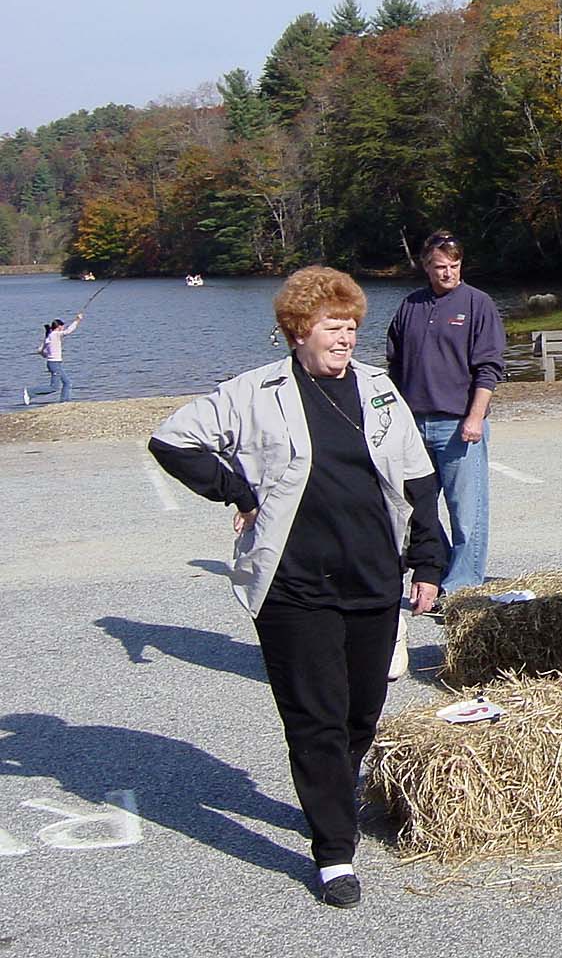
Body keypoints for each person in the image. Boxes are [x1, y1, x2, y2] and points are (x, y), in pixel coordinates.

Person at [148, 266, 446, 908]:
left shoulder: (378, 389)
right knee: (314, 717)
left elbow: (419, 478)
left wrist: (428, 561)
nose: (346, 339)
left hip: (372, 574)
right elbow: (173, 438)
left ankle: (337, 792)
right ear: (298, 329)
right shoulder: (256, 390)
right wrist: (236, 489)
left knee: (360, 710)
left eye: (353, 328)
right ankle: (334, 850)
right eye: (333, 328)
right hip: (292, 583)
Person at [386, 230, 506, 601]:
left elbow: (489, 367)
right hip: (413, 425)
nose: (448, 273)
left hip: (458, 424)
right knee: (413, 507)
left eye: (454, 266)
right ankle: (433, 572)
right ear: (426, 267)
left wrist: (475, 417)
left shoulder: (477, 304)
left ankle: (462, 586)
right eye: (440, 267)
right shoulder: (410, 306)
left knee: (466, 511)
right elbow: (393, 366)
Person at [24, 314, 82, 404]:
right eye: (62, 326)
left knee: (67, 383)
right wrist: (77, 320)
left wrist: (45, 354)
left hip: (54, 363)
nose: (63, 328)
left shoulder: (49, 336)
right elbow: (68, 331)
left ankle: (64, 402)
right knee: (54, 387)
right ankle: (30, 392)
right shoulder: (55, 335)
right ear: (59, 327)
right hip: (54, 364)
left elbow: (41, 351)